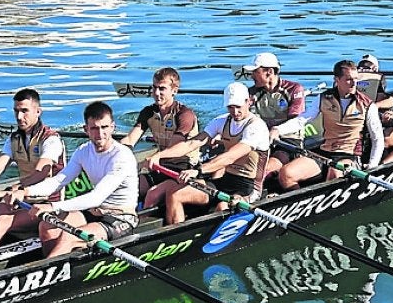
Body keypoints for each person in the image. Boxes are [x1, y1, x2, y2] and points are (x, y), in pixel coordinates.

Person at [9, 101, 139, 257]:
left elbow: (96, 197)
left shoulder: (121, 156)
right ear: (86, 130)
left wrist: (52, 206)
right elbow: (58, 181)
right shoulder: (83, 151)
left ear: (113, 127)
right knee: (47, 225)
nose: (100, 134)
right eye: (94, 128)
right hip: (94, 212)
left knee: (69, 237)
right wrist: (25, 191)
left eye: (104, 127)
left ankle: (48, 271)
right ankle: (56, 268)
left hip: (120, 218)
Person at [144, 82, 271, 225]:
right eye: (230, 107)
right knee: (175, 194)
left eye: (238, 107)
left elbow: (230, 157)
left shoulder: (256, 127)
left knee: (222, 208)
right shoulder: (221, 121)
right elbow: (191, 143)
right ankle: (175, 238)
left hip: (248, 188)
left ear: (248, 102)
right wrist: (159, 156)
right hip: (224, 181)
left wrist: (197, 171)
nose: (234, 112)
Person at [276, 61, 385, 189]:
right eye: (348, 79)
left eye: (356, 79)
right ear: (337, 79)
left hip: (349, 155)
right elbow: (302, 119)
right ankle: (301, 204)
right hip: (324, 153)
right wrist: (277, 130)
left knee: (334, 173)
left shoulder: (367, 105)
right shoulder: (323, 98)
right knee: (286, 173)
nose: (354, 83)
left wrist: (372, 166)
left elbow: (377, 138)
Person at [0, 88, 66, 244]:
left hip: (48, 205)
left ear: (38, 111)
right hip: (23, 200)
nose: (19, 117)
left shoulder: (51, 139)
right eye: (16, 111)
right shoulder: (14, 139)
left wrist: (13, 189)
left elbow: (40, 173)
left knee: (5, 219)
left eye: (24, 111)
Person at [122, 67, 200, 201]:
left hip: (184, 169)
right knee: (126, 188)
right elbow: (130, 139)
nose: (157, 93)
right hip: (161, 165)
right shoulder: (148, 112)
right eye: (154, 88)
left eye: (162, 88)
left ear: (174, 90)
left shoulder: (185, 115)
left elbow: (174, 147)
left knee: (152, 194)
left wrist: (153, 158)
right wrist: (109, 150)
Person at [244, 51, 306, 184]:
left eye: (255, 71)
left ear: (269, 72)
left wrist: (277, 130)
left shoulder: (294, 89)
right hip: (261, 140)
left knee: (264, 169)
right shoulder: (251, 93)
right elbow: (241, 115)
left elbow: (296, 120)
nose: (251, 76)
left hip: (287, 141)